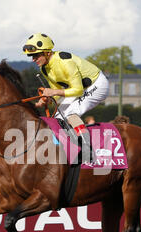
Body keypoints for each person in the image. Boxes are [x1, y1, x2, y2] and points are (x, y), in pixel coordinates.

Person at [22, 33, 109, 161]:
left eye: (36, 55)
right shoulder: (44, 69)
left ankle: (87, 151)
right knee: (57, 118)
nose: (33, 59)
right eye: (31, 56)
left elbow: (77, 90)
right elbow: (57, 94)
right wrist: (47, 99)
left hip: (97, 85)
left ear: (46, 52)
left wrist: (53, 92)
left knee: (71, 113)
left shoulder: (64, 61)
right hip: (80, 90)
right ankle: (61, 152)